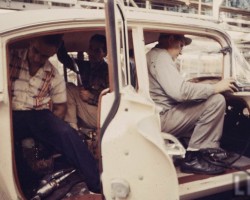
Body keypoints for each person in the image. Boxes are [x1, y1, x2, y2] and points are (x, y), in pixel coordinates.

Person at [10, 34, 100, 195]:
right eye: (35, 51)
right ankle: (26, 185)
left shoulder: (53, 75)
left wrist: (50, 131)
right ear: (31, 42)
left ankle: (96, 184)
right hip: (10, 115)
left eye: (44, 56)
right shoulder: (9, 58)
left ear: (52, 54)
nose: (37, 58)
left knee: (66, 133)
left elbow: (60, 108)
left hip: (38, 115)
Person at [146, 33, 238, 175]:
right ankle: (196, 157)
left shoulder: (151, 55)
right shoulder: (161, 57)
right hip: (162, 118)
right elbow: (180, 92)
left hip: (155, 116)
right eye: (181, 45)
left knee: (203, 98)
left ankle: (201, 150)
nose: (181, 52)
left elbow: (174, 90)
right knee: (216, 101)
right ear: (171, 40)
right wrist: (215, 88)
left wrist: (204, 88)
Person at [57, 34, 108, 131]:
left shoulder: (109, 72)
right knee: (68, 88)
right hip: (87, 109)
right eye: (90, 48)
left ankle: (72, 130)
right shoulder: (85, 66)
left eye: (97, 50)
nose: (91, 53)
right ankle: (71, 127)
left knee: (69, 88)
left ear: (105, 53)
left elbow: (113, 101)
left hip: (103, 115)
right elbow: (63, 58)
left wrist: (91, 97)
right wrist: (59, 37)